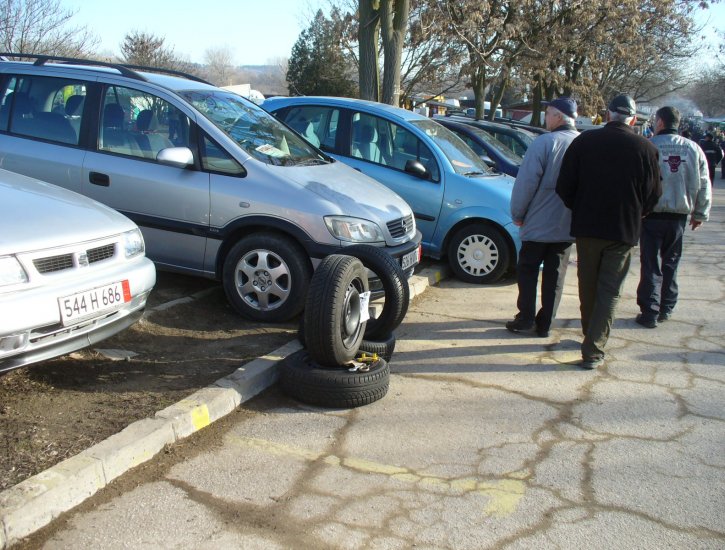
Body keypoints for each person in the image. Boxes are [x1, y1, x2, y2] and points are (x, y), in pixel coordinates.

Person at [556, 94, 662, 370]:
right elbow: (653, 194)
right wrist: (639, 213)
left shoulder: (584, 142)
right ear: (634, 119)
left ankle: (590, 338)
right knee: (610, 291)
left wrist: (580, 207)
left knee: (588, 286)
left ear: (606, 114)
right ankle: (593, 347)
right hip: (623, 230)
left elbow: (564, 186)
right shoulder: (646, 149)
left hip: (588, 227)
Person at [506, 97, 579, 338]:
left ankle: (526, 317)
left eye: (548, 113)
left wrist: (518, 213)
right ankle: (546, 322)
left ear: (558, 116)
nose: (545, 118)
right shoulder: (582, 143)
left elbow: (526, 183)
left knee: (527, 270)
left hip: (538, 222)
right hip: (567, 224)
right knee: (555, 275)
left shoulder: (545, 143)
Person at [635, 106, 711, 328]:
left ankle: (650, 310)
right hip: (678, 216)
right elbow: (704, 183)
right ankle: (666, 307)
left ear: (659, 122)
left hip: (650, 215)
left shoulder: (648, 146)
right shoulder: (693, 149)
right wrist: (700, 213)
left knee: (650, 263)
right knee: (671, 262)